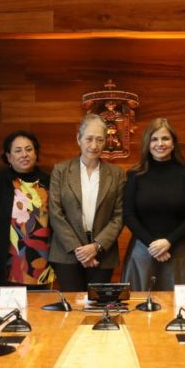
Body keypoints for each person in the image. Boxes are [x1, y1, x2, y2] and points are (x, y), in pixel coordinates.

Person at [49, 114, 126, 291]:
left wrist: (96, 246)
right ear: (78, 139)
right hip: (66, 253)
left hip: (103, 254)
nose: (94, 145)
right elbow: (55, 213)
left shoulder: (116, 174)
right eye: (89, 139)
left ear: (105, 141)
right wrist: (79, 249)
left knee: (97, 307)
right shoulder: (61, 170)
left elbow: (119, 215)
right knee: (72, 308)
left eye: (99, 140)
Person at [122, 118, 185, 291]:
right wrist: (153, 244)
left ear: (173, 143)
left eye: (165, 138)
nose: (160, 144)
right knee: (140, 310)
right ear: (147, 144)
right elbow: (128, 215)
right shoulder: (135, 175)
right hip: (143, 251)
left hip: (181, 251)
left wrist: (168, 242)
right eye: (154, 139)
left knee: (183, 310)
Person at [0, 131, 54, 288]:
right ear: (9, 157)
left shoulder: (49, 182)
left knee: (42, 312)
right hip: (8, 268)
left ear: (36, 153)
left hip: (43, 267)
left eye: (29, 149)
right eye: (18, 151)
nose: (24, 154)